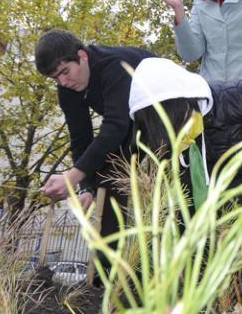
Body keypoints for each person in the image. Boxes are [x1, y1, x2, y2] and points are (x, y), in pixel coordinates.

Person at [34, 29, 155, 279]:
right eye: (55, 79)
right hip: (131, 123)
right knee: (107, 176)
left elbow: (115, 126)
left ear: (82, 56)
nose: (63, 82)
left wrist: (72, 176)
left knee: (160, 177)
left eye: (65, 72)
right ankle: (105, 274)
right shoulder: (68, 90)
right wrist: (86, 186)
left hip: (168, 114)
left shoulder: (115, 65)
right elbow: (80, 138)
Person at [127, 57, 242, 207]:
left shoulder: (239, 98)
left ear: (178, 106)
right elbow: (185, 200)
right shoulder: (170, 142)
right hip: (221, 214)